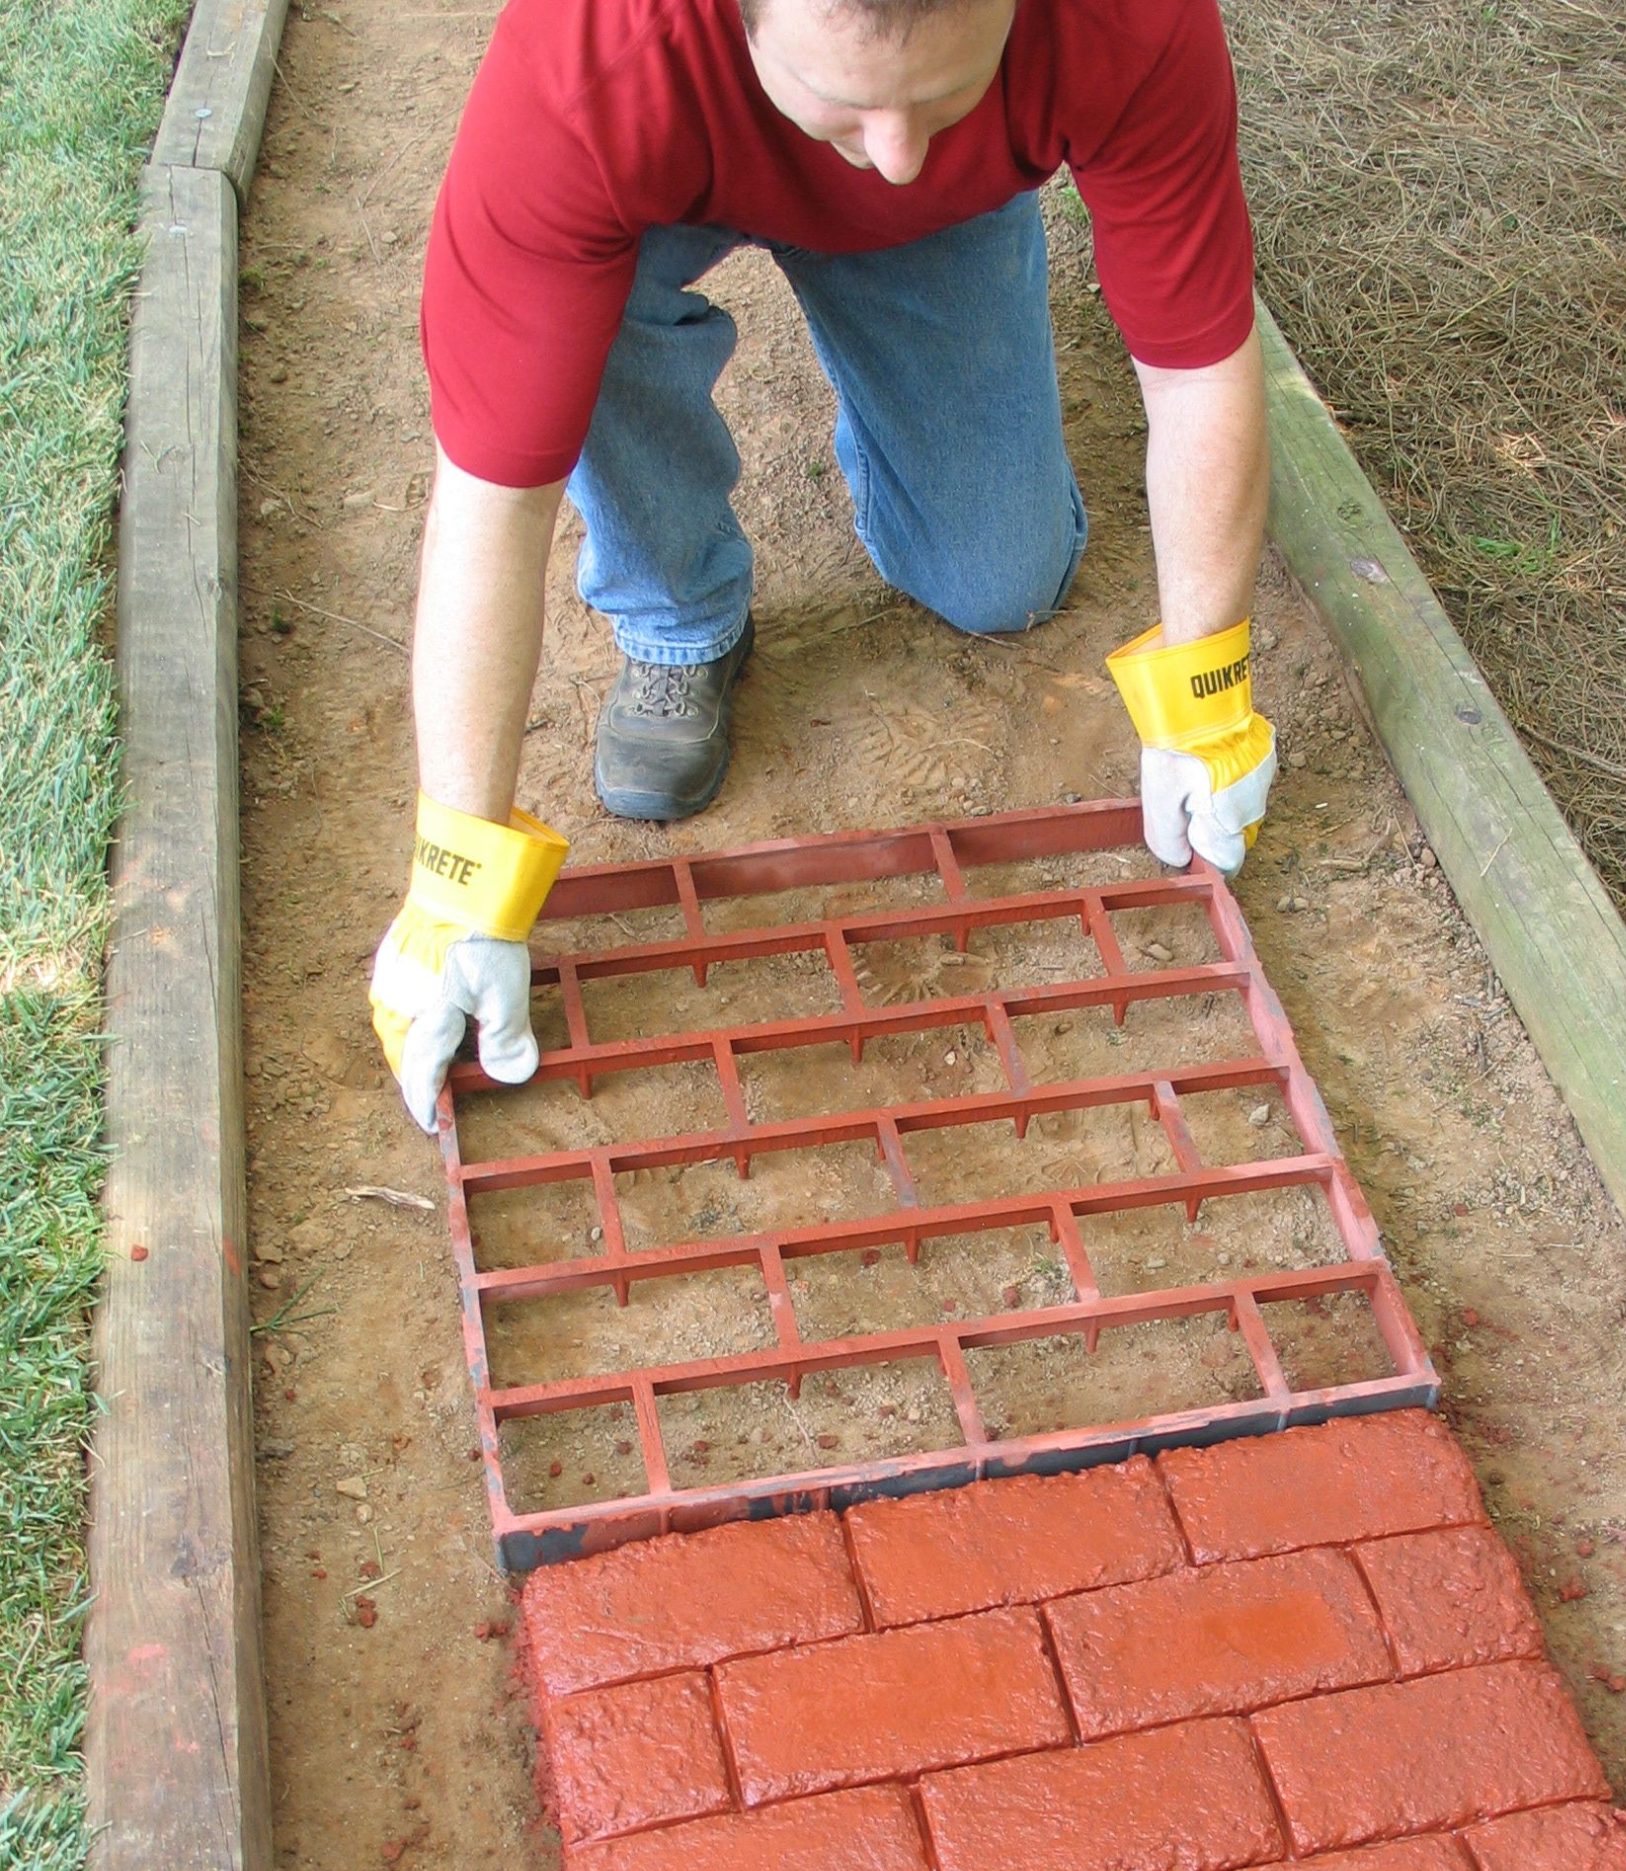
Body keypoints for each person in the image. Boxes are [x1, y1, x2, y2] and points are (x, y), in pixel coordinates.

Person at [372, 0, 1276, 1130]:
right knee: (575, 330)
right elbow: (495, 492)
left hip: (947, 211)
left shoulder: (1127, 21)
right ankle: (678, 616)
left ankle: (919, 263)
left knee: (1004, 575)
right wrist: (455, 882)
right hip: (654, 187)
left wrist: (1208, 691)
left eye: (940, 94)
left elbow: (1200, 370)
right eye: (848, 103)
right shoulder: (586, 72)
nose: (892, 151)